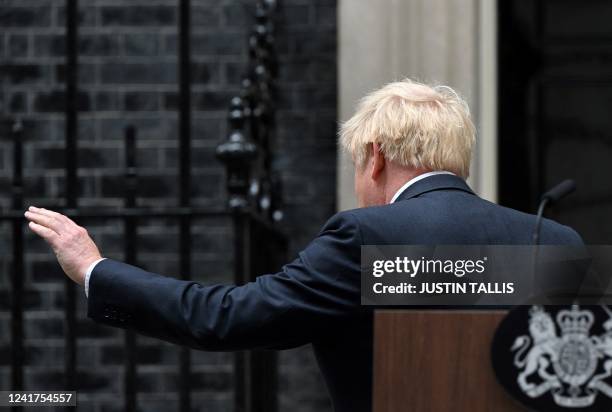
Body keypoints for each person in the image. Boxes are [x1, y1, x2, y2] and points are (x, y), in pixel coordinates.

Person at [25, 79, 582, 412]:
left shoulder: (366, 238)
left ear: (376, 156)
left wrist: (96, 269)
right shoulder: (555, 242)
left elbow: (227, 318)